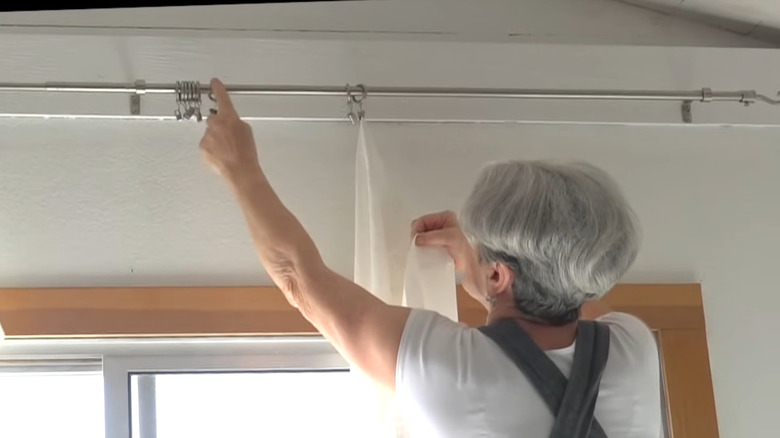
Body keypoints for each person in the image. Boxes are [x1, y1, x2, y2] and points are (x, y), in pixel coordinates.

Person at [200, 78, 662, 437]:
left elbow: (298, 276)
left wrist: (240, 168)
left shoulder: (446, 367)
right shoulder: (633, 347)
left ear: (500, 274)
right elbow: (569, 292)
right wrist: (480, 263)